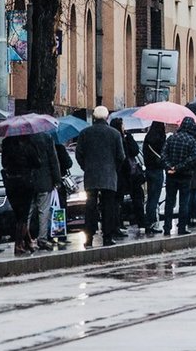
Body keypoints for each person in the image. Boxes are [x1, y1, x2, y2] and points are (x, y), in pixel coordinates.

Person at [76, 106, 125, 246]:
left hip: (91, 175)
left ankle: (89, 237)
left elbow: (79, 154)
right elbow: (121, 156)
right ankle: (107, 236)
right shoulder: (114, 134)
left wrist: (85, 167)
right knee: (108, 206)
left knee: (90, 206)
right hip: (109, 176)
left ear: (94, 117)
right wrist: (114, 168)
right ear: (107, 117)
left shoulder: (85, 133)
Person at [163, 118, 196, 235]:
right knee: (184, 203)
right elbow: (193, 158)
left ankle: (167, 227)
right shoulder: (192, 140)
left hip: (171, 176)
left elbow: (163, 154)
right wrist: (179, 167)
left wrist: (171, 167)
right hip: (185, 175)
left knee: (169, 201)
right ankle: (182, 227)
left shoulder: (171, 138)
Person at [1, 134, 37, 255]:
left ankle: (28, 242)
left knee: (18, 215)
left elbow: (4, 163)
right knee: (23, 216)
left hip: (11, 183)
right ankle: (18, 244)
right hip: (25, 182)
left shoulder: (6, 143)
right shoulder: (28, 142)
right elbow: (37, 162)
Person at [28, 129, 64, 251]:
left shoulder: (23, 138)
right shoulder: (46, 138)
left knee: (28, 211)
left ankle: (26, 238)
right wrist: (57, 179)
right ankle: (42, 238)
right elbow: (53, 160)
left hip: (28, 181)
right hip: (44, 181)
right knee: (44, 211)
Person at [111, 118, 146, 232]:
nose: (124, 127)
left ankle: (139, 222)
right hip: (122, 173)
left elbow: (135, 151)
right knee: (119, 199)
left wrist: (129, 138)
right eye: (122, 125)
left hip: (130, 174)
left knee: (136, 198)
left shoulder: (126, 137)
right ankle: (119, 223)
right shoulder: (115, 139)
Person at [142, 121, 167, 233]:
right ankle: (152, 222)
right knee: (154, 198)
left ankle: (149, 221)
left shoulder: (148, 139)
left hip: (148, 170)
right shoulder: (160, 139)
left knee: (150, 197)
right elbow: (164, 155)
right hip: (157, 171)